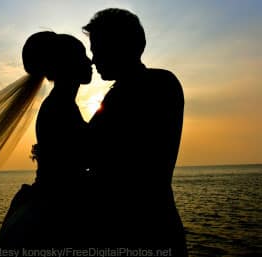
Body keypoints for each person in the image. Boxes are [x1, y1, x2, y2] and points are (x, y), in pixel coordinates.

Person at [83, 8, 188, 255]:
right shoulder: (160, 83)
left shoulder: (139, 89)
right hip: (157, 225)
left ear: (119, 46)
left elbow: (92, 153)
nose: (93, 59)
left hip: (138, 231)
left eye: (97, 48)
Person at [0, 31, 92, 250]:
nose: (89, 61)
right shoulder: (58, 107)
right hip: (56, 210)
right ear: (65, 64)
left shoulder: (62, 105)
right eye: (81, 55)